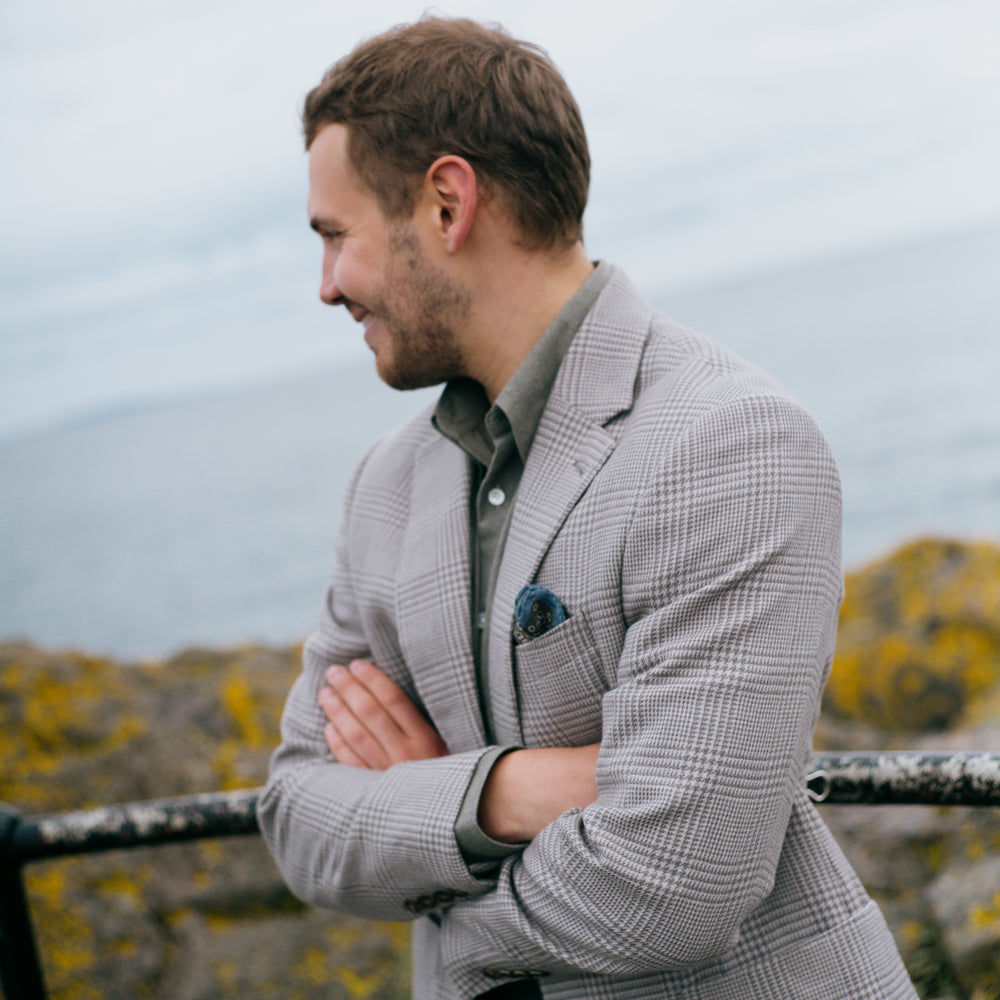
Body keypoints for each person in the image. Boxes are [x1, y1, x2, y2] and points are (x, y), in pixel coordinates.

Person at [258, 16, 917, 1000]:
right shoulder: (381, 488)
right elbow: (300, 820)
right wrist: (504, 793)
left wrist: (449, 905)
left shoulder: (731, 442)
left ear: (446, 203)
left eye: (335, 236)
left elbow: (673, 884)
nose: (324, 288)